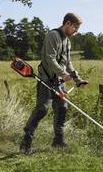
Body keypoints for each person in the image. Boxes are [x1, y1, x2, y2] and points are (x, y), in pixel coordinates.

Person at [20, 13, 88, 155]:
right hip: (46, 79)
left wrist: (77, 79)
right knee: (42, 109)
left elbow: (67, 62)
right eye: (75, 27)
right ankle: (25, 144)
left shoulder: (67, 41)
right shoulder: (53, 36)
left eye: (77, 28)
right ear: (67, 23)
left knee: (62, 108)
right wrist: (63, 73)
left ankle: (58, 141)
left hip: (59, 81)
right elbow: (50, 58)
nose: (76, 30)